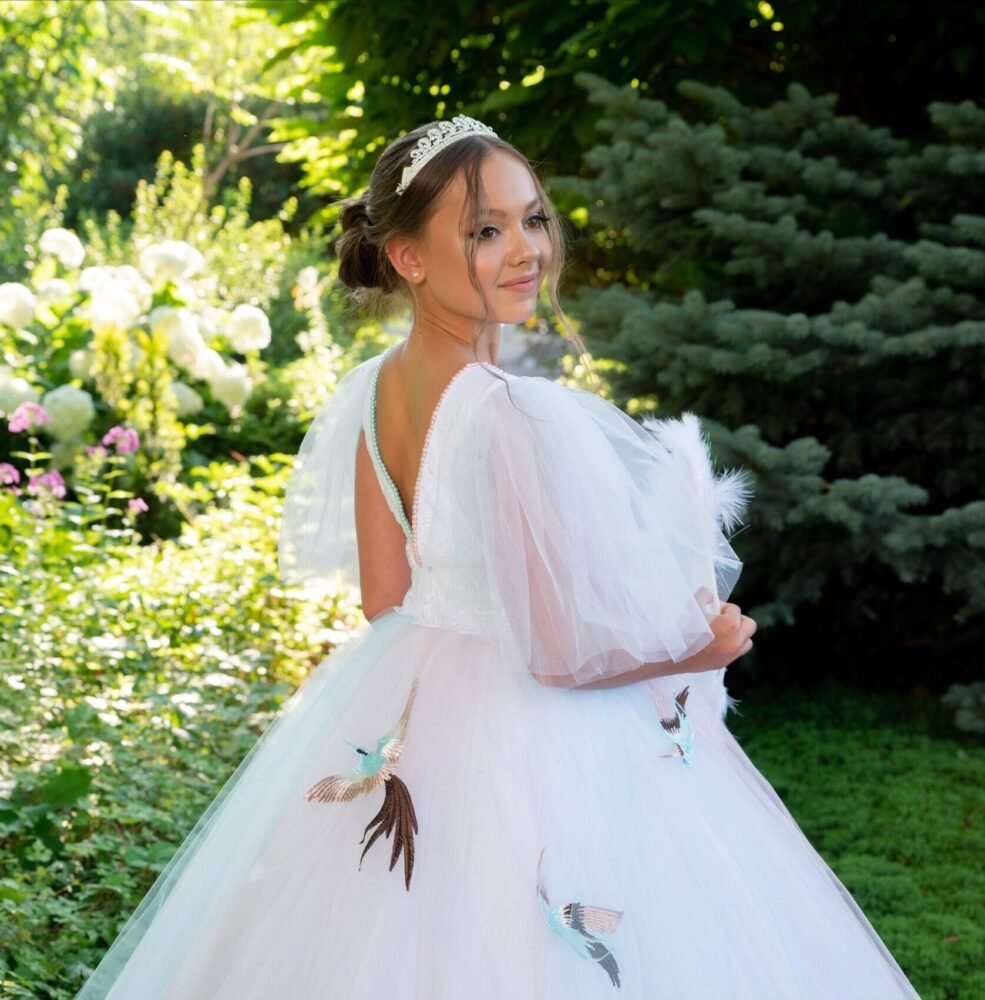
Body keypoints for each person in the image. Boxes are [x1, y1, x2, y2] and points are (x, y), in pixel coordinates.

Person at [76, 116, 920, 999]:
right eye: (485, 230)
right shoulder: (508, 411)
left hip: (414, 702)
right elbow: (557, 656)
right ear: (407, 258)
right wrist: (696, 651)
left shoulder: (370, 392)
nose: (524, 251)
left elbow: (383, 598)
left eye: (533, 220)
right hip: (534, 735)